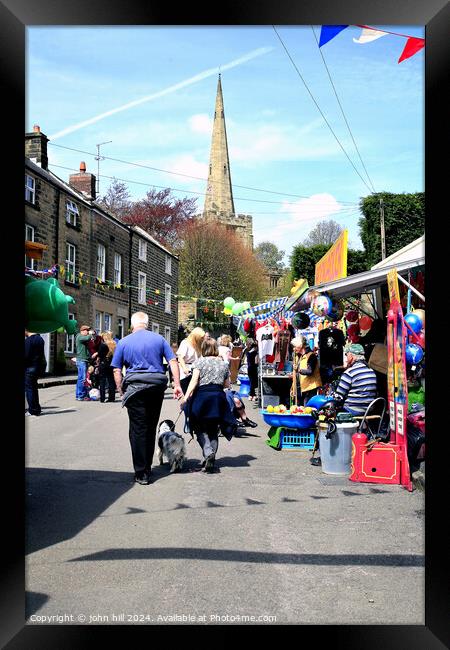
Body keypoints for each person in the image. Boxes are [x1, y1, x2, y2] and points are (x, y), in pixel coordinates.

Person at [111, 311, 183, 485]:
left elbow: (116, 369)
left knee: (137, 429)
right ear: (147, 324)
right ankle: (147, 467)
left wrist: (120, 389)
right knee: (151, 426)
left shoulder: (124, 341)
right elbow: (173, 361)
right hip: (156, 386)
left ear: (133, 325)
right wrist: (177, 384)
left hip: (134, 388)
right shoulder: (159, 340)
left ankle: (141, 471)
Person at [180, 337, 237, 473]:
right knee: (213, 429)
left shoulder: (200, 362)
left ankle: (208, 452)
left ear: (203, 349)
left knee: (199, 427)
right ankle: (210, 458)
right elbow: (227, 385)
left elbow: (194, 382)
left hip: (202, 398)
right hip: (218, 399)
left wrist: (185, 397)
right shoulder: (223, 364)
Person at [333, 343, 378, 415]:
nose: (346, 358)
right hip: (369, 410)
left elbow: (338, 397)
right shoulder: (371, 371)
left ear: (351, 356)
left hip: (352, 410)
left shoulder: (349, 372)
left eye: (346, 355)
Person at [291, 336, 322, 406]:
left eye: (295, 346)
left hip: (310, 388)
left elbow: (310, 371)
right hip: (301, 388)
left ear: (300, 346)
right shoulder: (299, 356)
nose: (294, 348)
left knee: (307, 408)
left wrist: (298, 370)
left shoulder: (311, 356)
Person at [177, 327, 205, 394]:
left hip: (195, 369)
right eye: (201, 337)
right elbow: (180, 357)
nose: (202, 339)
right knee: (188, 394)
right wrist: (184, 369)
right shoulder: (185, 343)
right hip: (186, 371)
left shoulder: (198, 345)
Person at [25, 329, 46, 416]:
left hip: (29, 367)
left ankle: (32, 410)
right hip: (37, 366)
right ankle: (37, 408)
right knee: (34, 388)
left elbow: (26, 355)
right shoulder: (40, 339)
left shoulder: (28, 341)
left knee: (29, 389)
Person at [75, 324, 94, 401]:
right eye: (87, 330)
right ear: (82, 331)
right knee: (82, 379)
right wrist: (90, 334)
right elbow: (87, 338)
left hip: (83, 360)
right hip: (81, 360)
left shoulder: (83, 337)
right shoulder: (80, 337)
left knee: (80, 378)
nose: (88, 332)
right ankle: (81, 395)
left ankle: (79, 395)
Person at [97, 331, 117, 402]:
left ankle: (102, 398)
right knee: (111, 381)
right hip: (111, 364)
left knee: (102, 381)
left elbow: (99, 355)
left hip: (103, 364)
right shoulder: (114, 345)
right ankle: (112, 398)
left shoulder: (103, 345)